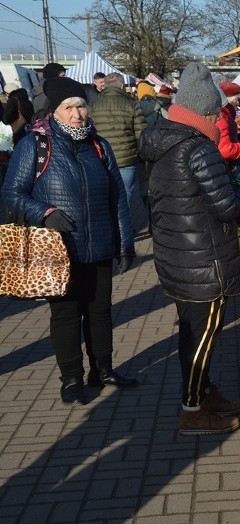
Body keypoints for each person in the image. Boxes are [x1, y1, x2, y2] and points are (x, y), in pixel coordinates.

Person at [1, 77, 137, 405]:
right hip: (59, 248)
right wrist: (45, 212)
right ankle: (72, 378)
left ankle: (103, 370)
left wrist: (125, 242)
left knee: (100, 311)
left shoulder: (99, 145)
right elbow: (11, 193)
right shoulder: (34, 145)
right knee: (65, 315)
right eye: (69, 107)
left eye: (81, 105)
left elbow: (118, 195)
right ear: (56, 112)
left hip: (100, 242)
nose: (77, 113)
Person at [138, 62, 240, 436]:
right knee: (202, 336)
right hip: (203, 260)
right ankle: (192, 409)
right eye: (215, 114)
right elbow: (227, 207)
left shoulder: (160, 141)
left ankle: (203, 393)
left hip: (175, 254)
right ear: (204, 113)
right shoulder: (199, 150)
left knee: (190, 332)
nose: (218, 121)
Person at [89, 72, 148, 235]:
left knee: (104, 194)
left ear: (104, 85)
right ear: (122, 86)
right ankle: (124, 229)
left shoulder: (93, 105)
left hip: (101, 158)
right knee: (126, 194)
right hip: (127, 159)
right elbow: (141, 133)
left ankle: (108, 229)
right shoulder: (132, 104)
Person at [216, 82, 240, 167]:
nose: (238, 103)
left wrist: (238, 137)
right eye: (236, 99)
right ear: (226, 99)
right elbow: (225, 149)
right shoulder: (221, 117)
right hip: (225, 164)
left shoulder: (228, 114)